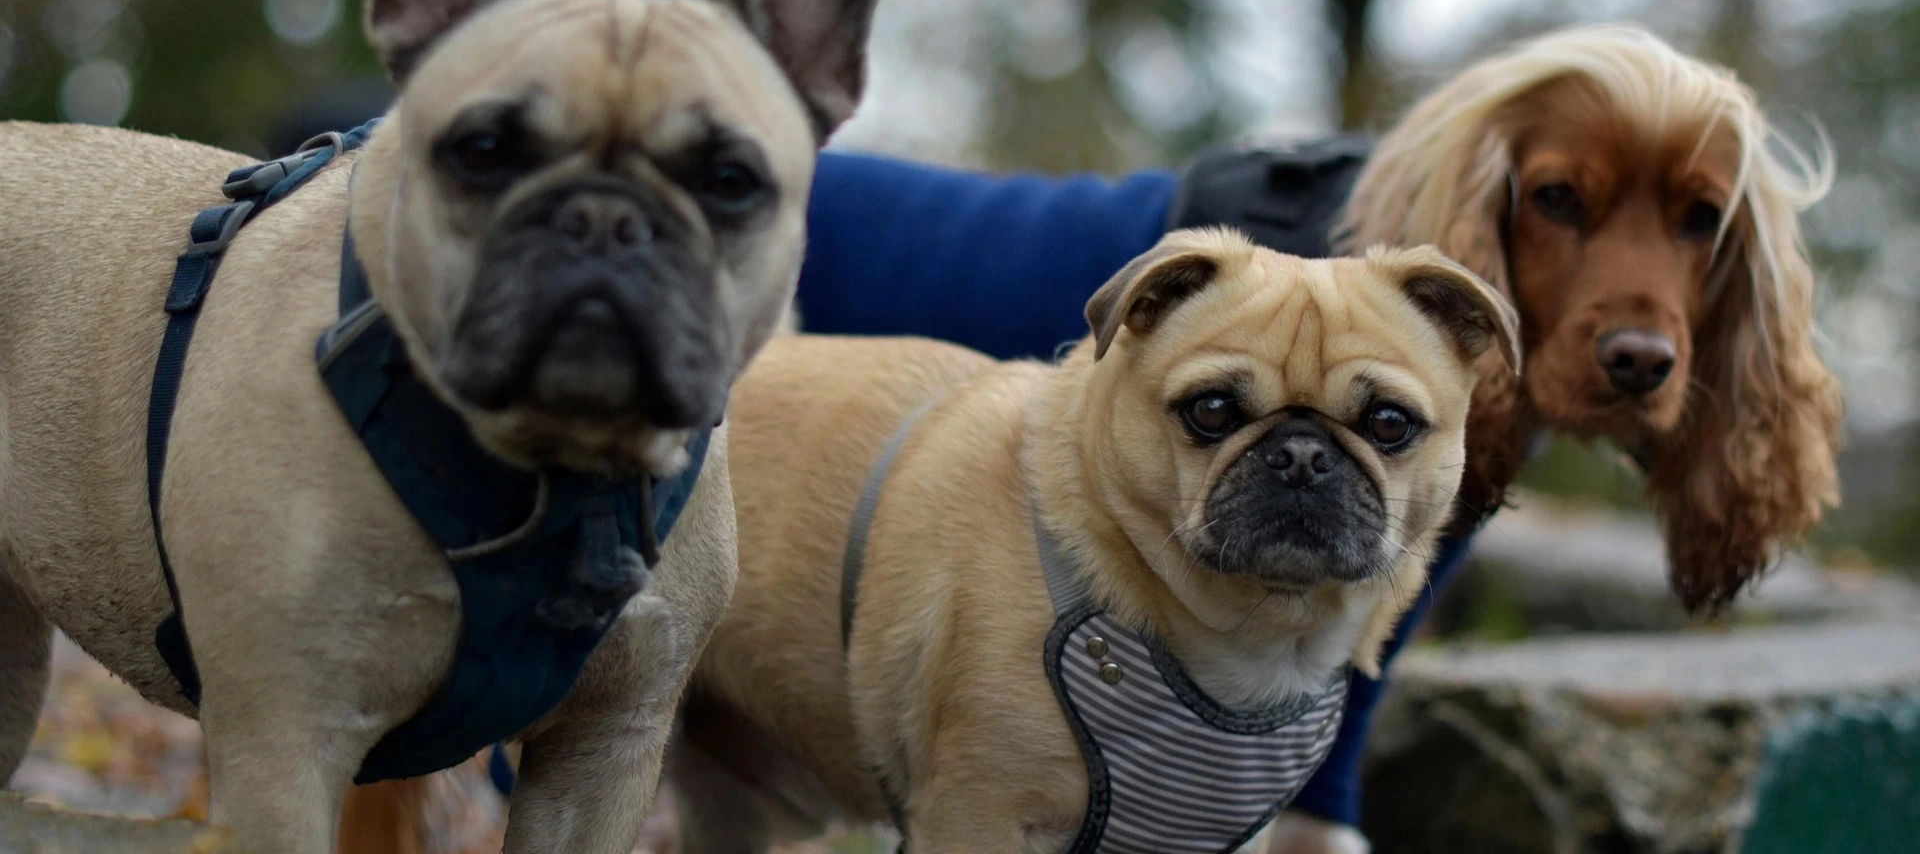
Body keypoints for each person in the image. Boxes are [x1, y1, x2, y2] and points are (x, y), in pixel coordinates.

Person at [270, 101, 1462, 835]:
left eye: (1386, 430)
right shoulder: (1035, 592)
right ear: (1129, 339)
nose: (1305, 467)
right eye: (1216, 414)